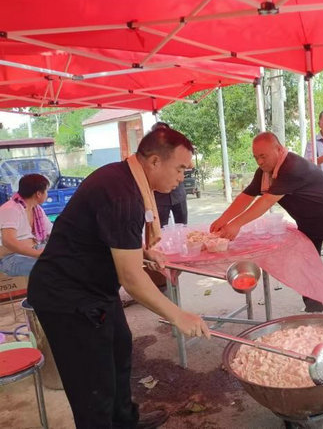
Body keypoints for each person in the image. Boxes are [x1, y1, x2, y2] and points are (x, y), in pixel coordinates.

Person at [28, 127, 210, 428]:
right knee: (93, 383)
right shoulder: (122, 193)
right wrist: (178, 315)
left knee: (119, 349)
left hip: (96, 288)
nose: (182, 177)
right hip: (68, 297)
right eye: (179, 169)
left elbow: (107, 232)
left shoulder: (124, 177)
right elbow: (131, 278)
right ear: (154, 162)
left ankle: (124, 421)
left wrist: (142, 250)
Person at [211, 132, 323, 322]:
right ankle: (313, 307)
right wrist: (223, 219)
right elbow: (247, 196)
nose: (259, 161)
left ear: (278, 149)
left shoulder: (292, 167)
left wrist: (235, 225)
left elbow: (265, 202)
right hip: (308, 222)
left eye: (263, 156)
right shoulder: (265, 173)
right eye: (256, 157)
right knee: (307, 263)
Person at [0, 174, 52, 276]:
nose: (47, 194)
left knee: (68, 258)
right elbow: (8, 241)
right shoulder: (11, 209)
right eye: (46, 191)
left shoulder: (37, 210)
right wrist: (38, 254)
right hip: (10, 258)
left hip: (34, 249)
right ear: (38, 194)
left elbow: (52, 232)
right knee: (51, 266)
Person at [152, 122, 188, 227]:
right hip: (159, 197)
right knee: (161, 228)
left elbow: (190, 164)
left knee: (183, 226)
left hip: (178, 195)